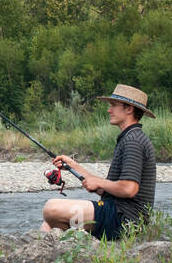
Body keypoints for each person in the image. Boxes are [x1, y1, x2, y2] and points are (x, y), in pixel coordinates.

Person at [40, 84, 157, 240]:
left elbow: (129, 188)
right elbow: (110, 189)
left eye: (114, 106)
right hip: (116, 213)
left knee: (51, 209)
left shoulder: (133, 141)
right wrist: (72, 165)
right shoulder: (131, 137)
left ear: (129, 109)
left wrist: (99, 183)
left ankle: (79, 243)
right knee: (47, 224)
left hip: (123, 219)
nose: (109, 110)